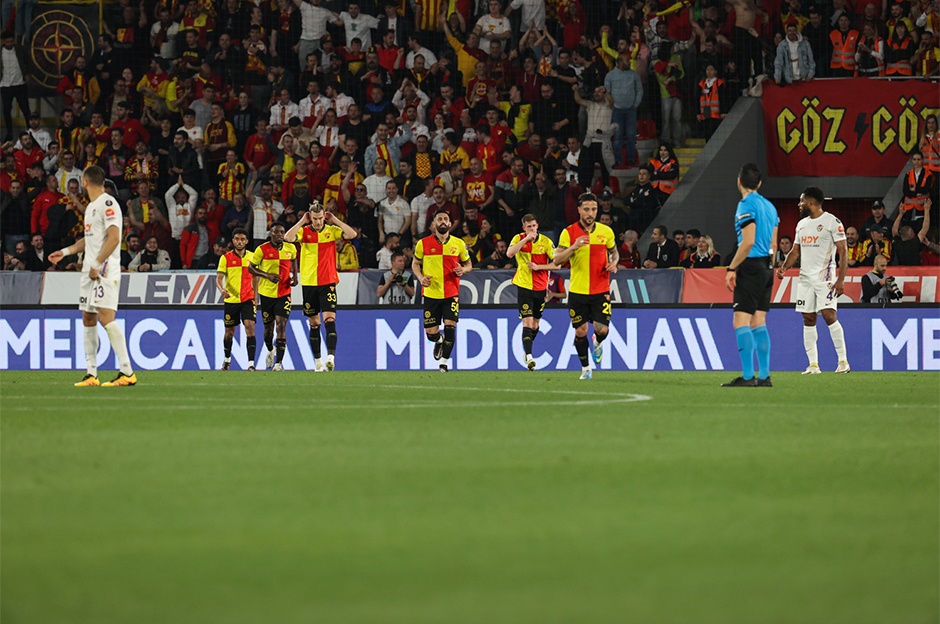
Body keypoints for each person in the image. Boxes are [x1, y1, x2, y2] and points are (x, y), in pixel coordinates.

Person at [48, 165, 137, 387]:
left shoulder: (108, 203)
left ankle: (127, 371)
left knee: (107, 318)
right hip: (90, 271)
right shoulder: (91, 208)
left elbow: (115, 238)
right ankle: (91, 374)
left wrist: (98, 263)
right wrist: (66, 252)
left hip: (103, 270)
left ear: (85, 182)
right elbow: (90, 239)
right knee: (88, 318)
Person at [776, 187, 850, 375]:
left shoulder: (832, 222)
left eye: (801, 201)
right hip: (805, 279)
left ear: (810, 202)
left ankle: (843, 362)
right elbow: (795, 251)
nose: (799, 204)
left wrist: (841, 280)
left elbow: (843, 251)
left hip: (826, 277)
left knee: (828, 315)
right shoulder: (801, 224)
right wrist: (784, 267)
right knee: (808, 318)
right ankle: (813, 365)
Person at [722, 163, 779, 388]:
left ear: (739, 181)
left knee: (741, 321)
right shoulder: (770, 207)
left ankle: (747, 377)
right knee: (759, 321)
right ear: (760, 183)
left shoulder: (745, 204)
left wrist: (731, 268)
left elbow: (748, 241)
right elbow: (774, 244)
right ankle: (764, 376)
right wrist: (769, 267)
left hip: (752, 266)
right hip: (766, 266)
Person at [551, 193, 618, 380]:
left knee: (602, 330)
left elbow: (614, 252)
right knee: (580, 331)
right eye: (586, 209)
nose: (590, 213)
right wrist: (573, 247)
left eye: (594, 209)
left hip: (601, 290)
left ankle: (598, 342)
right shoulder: (569, 232)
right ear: (579, 210)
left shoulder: (606, 232)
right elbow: (557, 260)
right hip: (578, 291)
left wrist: (614, 263)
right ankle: (586, 368)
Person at [285, 202, 358, 372]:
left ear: (325, 216)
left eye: (320, 218)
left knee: (330, 320)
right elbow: (288, 238)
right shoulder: (304, 232)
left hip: (327, 283)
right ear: (310, 217)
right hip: (309, 284)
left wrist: (336, 220)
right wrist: (302, 221)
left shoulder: (331, 231)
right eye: (315, 219)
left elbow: (352, 234)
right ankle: (318, 362)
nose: (318, 222)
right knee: (314, 324)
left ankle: (330, 358)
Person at [412, 209, 473, 373]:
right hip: (431, 293)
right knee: (431, 333)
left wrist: (463, 270)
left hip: (451, 293)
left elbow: (469, 265)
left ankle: (444, 364)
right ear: (433, 224)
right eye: (439, 219)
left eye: (446, 219)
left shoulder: (458, 243)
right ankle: (439, 340)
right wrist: (420, 278)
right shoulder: (423, 243)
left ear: (450, 224)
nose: (443, 221)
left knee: (450, 327)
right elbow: (415, 264)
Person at [506, 214, 556, 370]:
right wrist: (525, 239)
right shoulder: (518, 239)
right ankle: (529, 357)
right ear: (524, 228)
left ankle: (527, 347)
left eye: (534, 226)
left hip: (540, 288)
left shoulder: (546, 242)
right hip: (524, 286)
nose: (532, 229)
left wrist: (539, 267)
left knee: (534, 326)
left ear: (537, 226)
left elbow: (558, 265)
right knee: (527, 322)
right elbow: (509, 253)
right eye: (529, 227)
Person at [248, 223, 298, 371]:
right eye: (276, 232)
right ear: (271, 234)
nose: (279, 235)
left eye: (282, 232)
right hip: (266, 294)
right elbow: (251, 267)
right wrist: (266, 275)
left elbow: (294, 258)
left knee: (281, 325)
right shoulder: (262, 249)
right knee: (268, 331)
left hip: (284, 293)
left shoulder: (290, 248)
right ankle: (270, 350)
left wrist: (295, 275)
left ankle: (278, 364)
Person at [216, 228, 258, 371]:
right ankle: (227, 360)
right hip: (231, 301)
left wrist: (256, 299)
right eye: (237, 239)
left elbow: (255, 279)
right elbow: (219, 279)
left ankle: (251, 364)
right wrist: (222, 290)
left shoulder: (253, 257)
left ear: (246, 241)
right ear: (233, 241)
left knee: (250, 327)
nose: (239, 242)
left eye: (242, 239)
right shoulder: (225, 258)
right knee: (229, 333)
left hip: (248, 299)